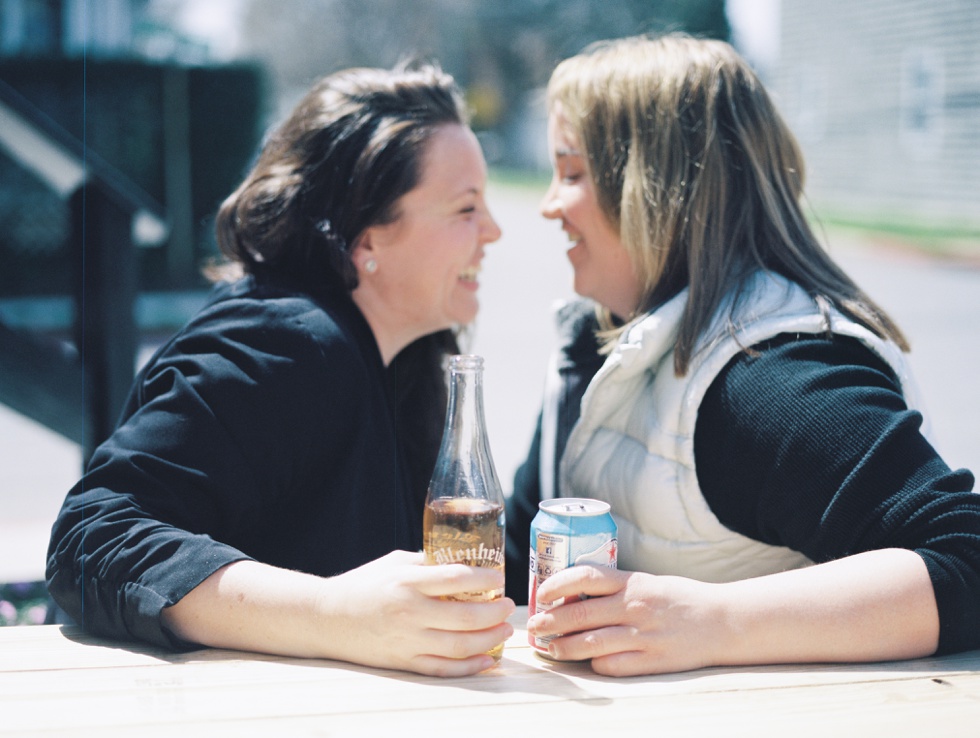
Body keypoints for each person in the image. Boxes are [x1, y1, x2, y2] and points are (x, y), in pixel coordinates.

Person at [505, 34, 980, 677]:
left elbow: (964, 557)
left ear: (652, 184)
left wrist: (711, 621)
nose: (549, 204)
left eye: (572, 172)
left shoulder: (772, 378)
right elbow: (515, 555)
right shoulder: (596, 345)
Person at [46, 63, 515, 677]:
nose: (495, 232)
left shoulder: (410, 357)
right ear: (367, 239)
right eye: (465, 209)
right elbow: (92, 535)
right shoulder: (284, 345)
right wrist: (332, 610)